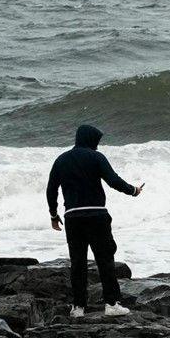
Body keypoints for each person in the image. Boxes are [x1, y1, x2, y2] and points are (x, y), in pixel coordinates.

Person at [46, 124, 143, 318]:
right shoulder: (96, 157)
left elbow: (51, 189)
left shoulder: (61, 160)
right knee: (105, 260)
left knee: (78, 263)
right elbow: (113, 181)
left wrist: (53, 214)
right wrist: (133, 190)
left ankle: (78, 307)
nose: (98, 145)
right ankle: (112, 304)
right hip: (97, 216)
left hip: (72, 217)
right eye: (96, 141)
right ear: (90, 140)